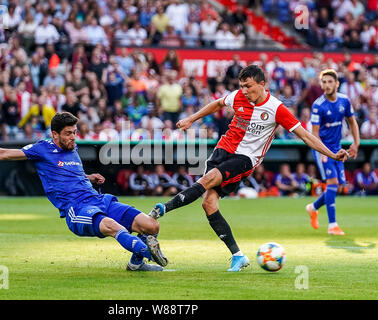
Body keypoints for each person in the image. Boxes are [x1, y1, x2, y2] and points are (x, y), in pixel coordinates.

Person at [148, 65, 349, 272]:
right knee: (208, 203)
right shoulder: (238, 96)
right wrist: (192, 118)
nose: (244, 90)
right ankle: (238, 256)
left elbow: (306, 136)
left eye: (248, 86)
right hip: (222, 150)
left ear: (262, 85)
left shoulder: (276, 108)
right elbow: (217, 104)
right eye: (242, 86)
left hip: (245, 158)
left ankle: (162, 209)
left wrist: (332, 154)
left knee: (207, 180)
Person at [0, 112, 167, 272]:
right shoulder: (42, 149)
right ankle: (148, 252)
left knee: (151, 225)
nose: (73, 137)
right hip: (77, 209)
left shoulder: (73, 148)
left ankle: (137, 262)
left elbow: (69, 173)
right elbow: (2, 154)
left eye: (75, 132)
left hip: (99, 199)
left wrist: (88, 177)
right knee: (113, 226)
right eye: (69, 133)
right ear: (55, 134)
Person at [305, 69, 360, 236]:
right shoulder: (318, 105)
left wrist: (356, 143)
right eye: (324, 82)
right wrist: (322, 151)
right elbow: (314, 134)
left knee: (337, 187)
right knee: (333, 183)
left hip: (337, 149)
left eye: (330, 82)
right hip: (322, 149)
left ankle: (313, 207)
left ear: (337, 84)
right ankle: (332, 225)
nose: (327, 85)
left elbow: (352, 122)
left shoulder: (344, 101)